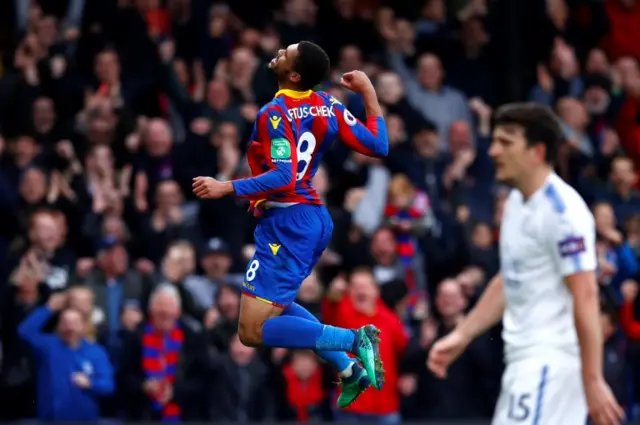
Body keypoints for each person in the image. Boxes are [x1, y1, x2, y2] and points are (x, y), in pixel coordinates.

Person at [192, 41, 389, 408]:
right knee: (275, 308)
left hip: (290, 222)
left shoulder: (276, 113)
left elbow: (283, 175)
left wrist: (227, 187)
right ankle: (349, 370)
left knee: (252, 332)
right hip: (307, 218)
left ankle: (352, 340)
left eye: (287, 53)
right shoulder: (329, 105)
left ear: (294, 74)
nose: (280, 52)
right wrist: (368, 93)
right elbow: (378, 145)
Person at [426, 103, 625, 425]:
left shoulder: (563, 213)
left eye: (506, 142)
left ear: (537, 151)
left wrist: (593, 380)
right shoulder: (517, 203)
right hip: (524, 364)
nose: (492, 151)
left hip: (550, 364)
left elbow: (586, 295)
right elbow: (510, 279)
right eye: (494, 141)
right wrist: (462, 335)